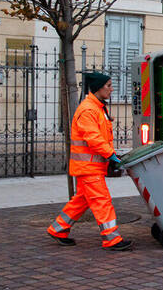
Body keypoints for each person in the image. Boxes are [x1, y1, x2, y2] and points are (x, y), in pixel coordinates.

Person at [47, 72, 133, 251]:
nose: (111, 89)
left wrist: (110, 156)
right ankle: (112, 239)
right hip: (89, 167)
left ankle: (58, 229)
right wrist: (111, 155)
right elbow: (93, 138)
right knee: (102, 201)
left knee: (82, 200)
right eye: (108, 85)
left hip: (89, 166)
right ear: (98, 88)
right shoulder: (88, 110)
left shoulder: (97, 107)